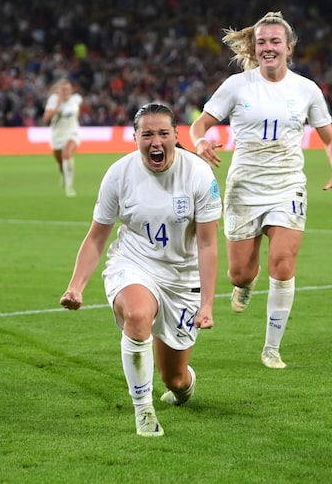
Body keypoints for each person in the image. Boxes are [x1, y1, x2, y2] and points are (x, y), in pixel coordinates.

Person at [189, 11, 332, 370]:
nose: (268, 48)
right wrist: (200, 142)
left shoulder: (307, 89)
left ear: (289, 47)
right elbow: (200, 124)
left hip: (287, 185)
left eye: (275, 41)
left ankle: (271, 349)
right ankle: (245, 284)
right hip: (244, 187)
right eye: (262, 42)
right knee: (239, 274)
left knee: (283, 264)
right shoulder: (236, 85)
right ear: (255, 47)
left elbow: (330, 139)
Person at [60, 102, 222, 437]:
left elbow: (207, 244)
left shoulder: (199, 175)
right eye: (147, 134)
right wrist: (76, 286)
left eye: (163, 133)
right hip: (133, 263)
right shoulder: (119, 174)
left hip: (181, 278)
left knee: (174, 379)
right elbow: (96, 238)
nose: (155, 142)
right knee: (136, 315)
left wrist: (207, 304)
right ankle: (143, 411)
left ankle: (182, 387)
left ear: (177, 136)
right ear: (134, 137)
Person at [42, 79, 82, 197]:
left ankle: (69, 187)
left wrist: (74, 123)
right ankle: (64, 175)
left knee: (67, 154)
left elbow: (76, 113)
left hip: (72, 132)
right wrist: (58, 105)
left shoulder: (76, 99)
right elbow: (46, 119)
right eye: (63, 90)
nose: (66, 92)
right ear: (59, 91)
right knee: (60, 162)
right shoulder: (53, 101)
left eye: (68, 89)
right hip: (57, 135)